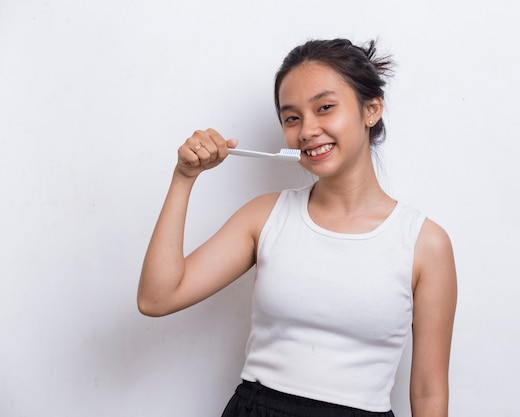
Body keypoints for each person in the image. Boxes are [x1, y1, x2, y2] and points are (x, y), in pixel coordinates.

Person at [138, 38, 457, 417]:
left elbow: (427, 392)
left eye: (325, 108)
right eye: (292, 118)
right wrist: (183, 178)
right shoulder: (265, 216)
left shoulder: (424, 243)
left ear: (370, 110)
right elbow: (156, 298)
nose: (307, 130)